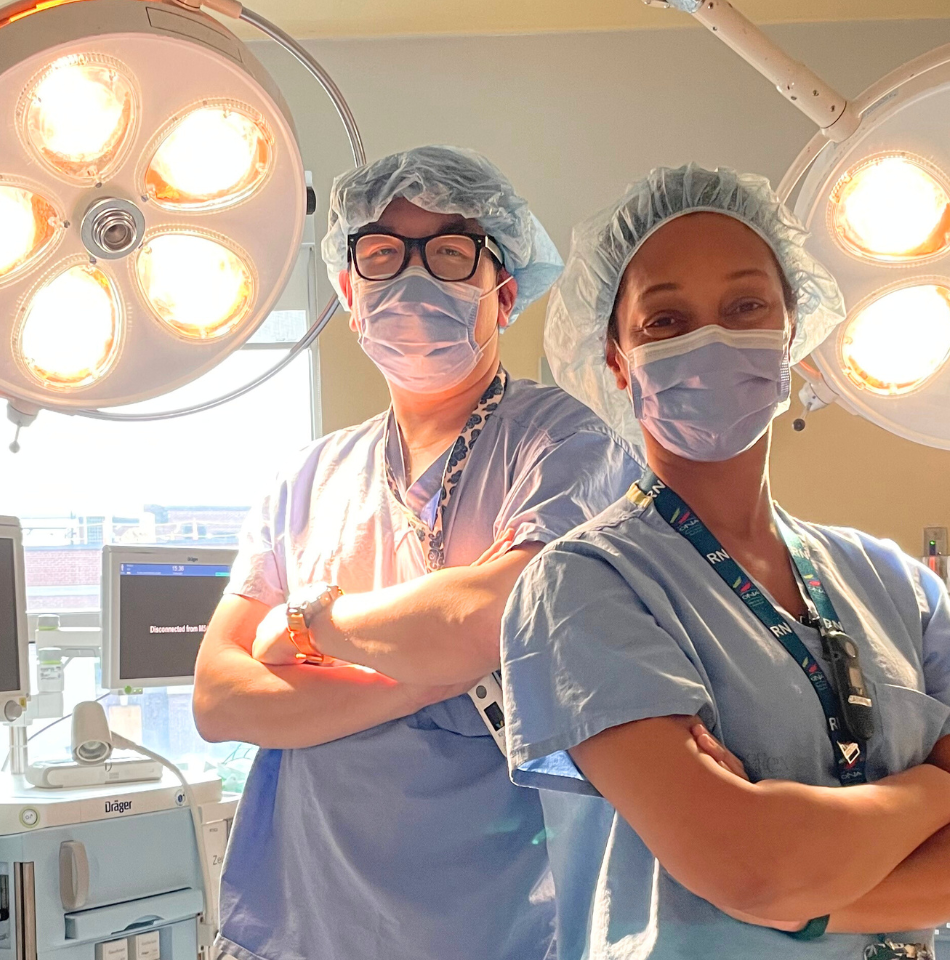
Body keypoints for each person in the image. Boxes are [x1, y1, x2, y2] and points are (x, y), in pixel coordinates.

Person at [499, 164, 950, 959]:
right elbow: (755, 869)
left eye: (745, 306)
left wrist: (818, 905)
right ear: (617, 362)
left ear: (792, 329)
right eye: (665, 321)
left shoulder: (896, 583)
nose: (711, 339)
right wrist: (936, 789)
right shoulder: (585, 584)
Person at [193, 145, 643, 960]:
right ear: (347, 292)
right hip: (309, 917)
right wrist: (431, 672)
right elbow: (220, 698)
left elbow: (494, 617)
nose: (411, 278)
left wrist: (307, 627)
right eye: (381, 254)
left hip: (490, 919)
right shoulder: (307, 476)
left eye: (448, 252)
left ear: (502, 294)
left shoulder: (567, 444)